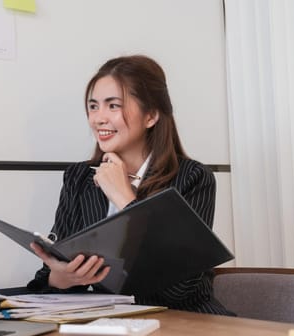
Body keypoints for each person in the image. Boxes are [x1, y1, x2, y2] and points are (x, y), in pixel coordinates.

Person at [27, 54, 233, 315]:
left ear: (151, 116)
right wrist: (63, 278)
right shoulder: (78, 177)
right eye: (93, 106)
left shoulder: (192, 177)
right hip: (115, 325)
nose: (98, 118)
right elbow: (45, 279)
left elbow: (182, 288)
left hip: (186, 323)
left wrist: (126, 199)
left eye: (113, 106)